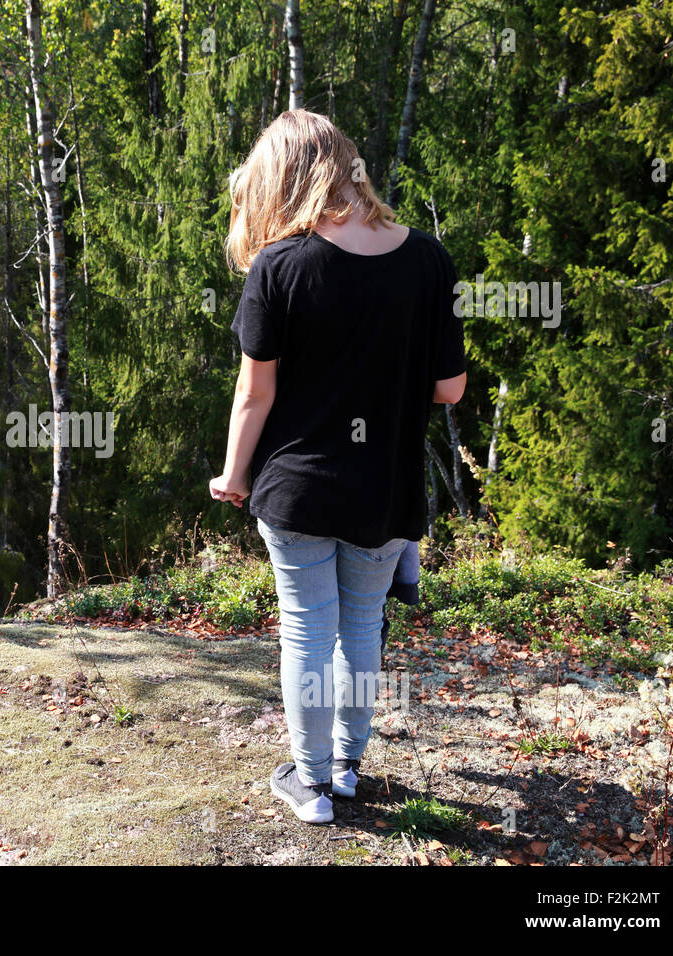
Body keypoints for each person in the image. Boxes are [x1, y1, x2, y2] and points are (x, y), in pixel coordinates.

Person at [208, 109, 466, 824]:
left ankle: (312, 786)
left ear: (283, 180)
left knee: (307, 631)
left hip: (297, 492)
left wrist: (233, 476)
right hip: (385, 492)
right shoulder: (428, 260)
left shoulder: (281, 267)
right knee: (362, 626)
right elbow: (449, 389)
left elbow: (253, 394)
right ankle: (349, 770)